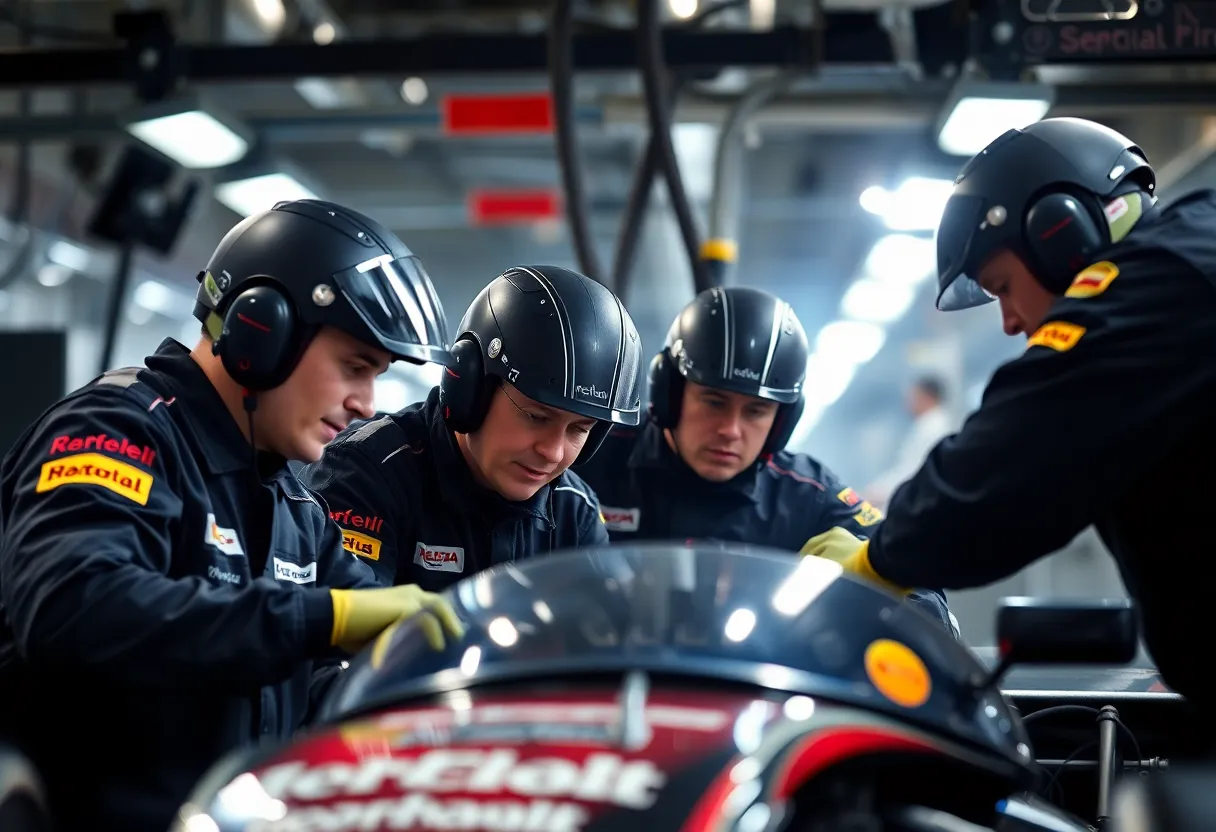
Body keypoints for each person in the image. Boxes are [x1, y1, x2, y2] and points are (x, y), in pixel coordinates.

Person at [0, 199, 465, 832]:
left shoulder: (290, 506)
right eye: (355, 367)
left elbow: (358, 651)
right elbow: (75, 606)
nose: (366, 403)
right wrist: (325, 618)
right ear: (260, 332)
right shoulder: (116, 431)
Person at [799, 117, 1216, 715]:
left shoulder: (1163, 281)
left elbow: (1005, 469)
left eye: (1000, 287)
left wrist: (875, 562)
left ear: (1059, 233)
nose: (1010, 322)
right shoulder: (1194, 251)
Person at [574, 285, 958, 634]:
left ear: (782, 422)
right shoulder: (588, 453)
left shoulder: (807, 496)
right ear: (671, 393)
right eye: (713, 402)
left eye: (756, 411)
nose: (731, 429)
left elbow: (912, 580)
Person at [298, 265, 644, 590]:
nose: (552, 453)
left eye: (579, 430)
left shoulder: (574, 511)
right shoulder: (366, 473)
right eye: (536, 417)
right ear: (470, 388)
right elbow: (349, 633)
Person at [864, 375, 956, 508]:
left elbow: (912, 470)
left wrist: (879, 491)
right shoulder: (927, 425)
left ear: (927, 397)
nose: (908, 402)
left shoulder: (931, 428)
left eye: (913, 396)